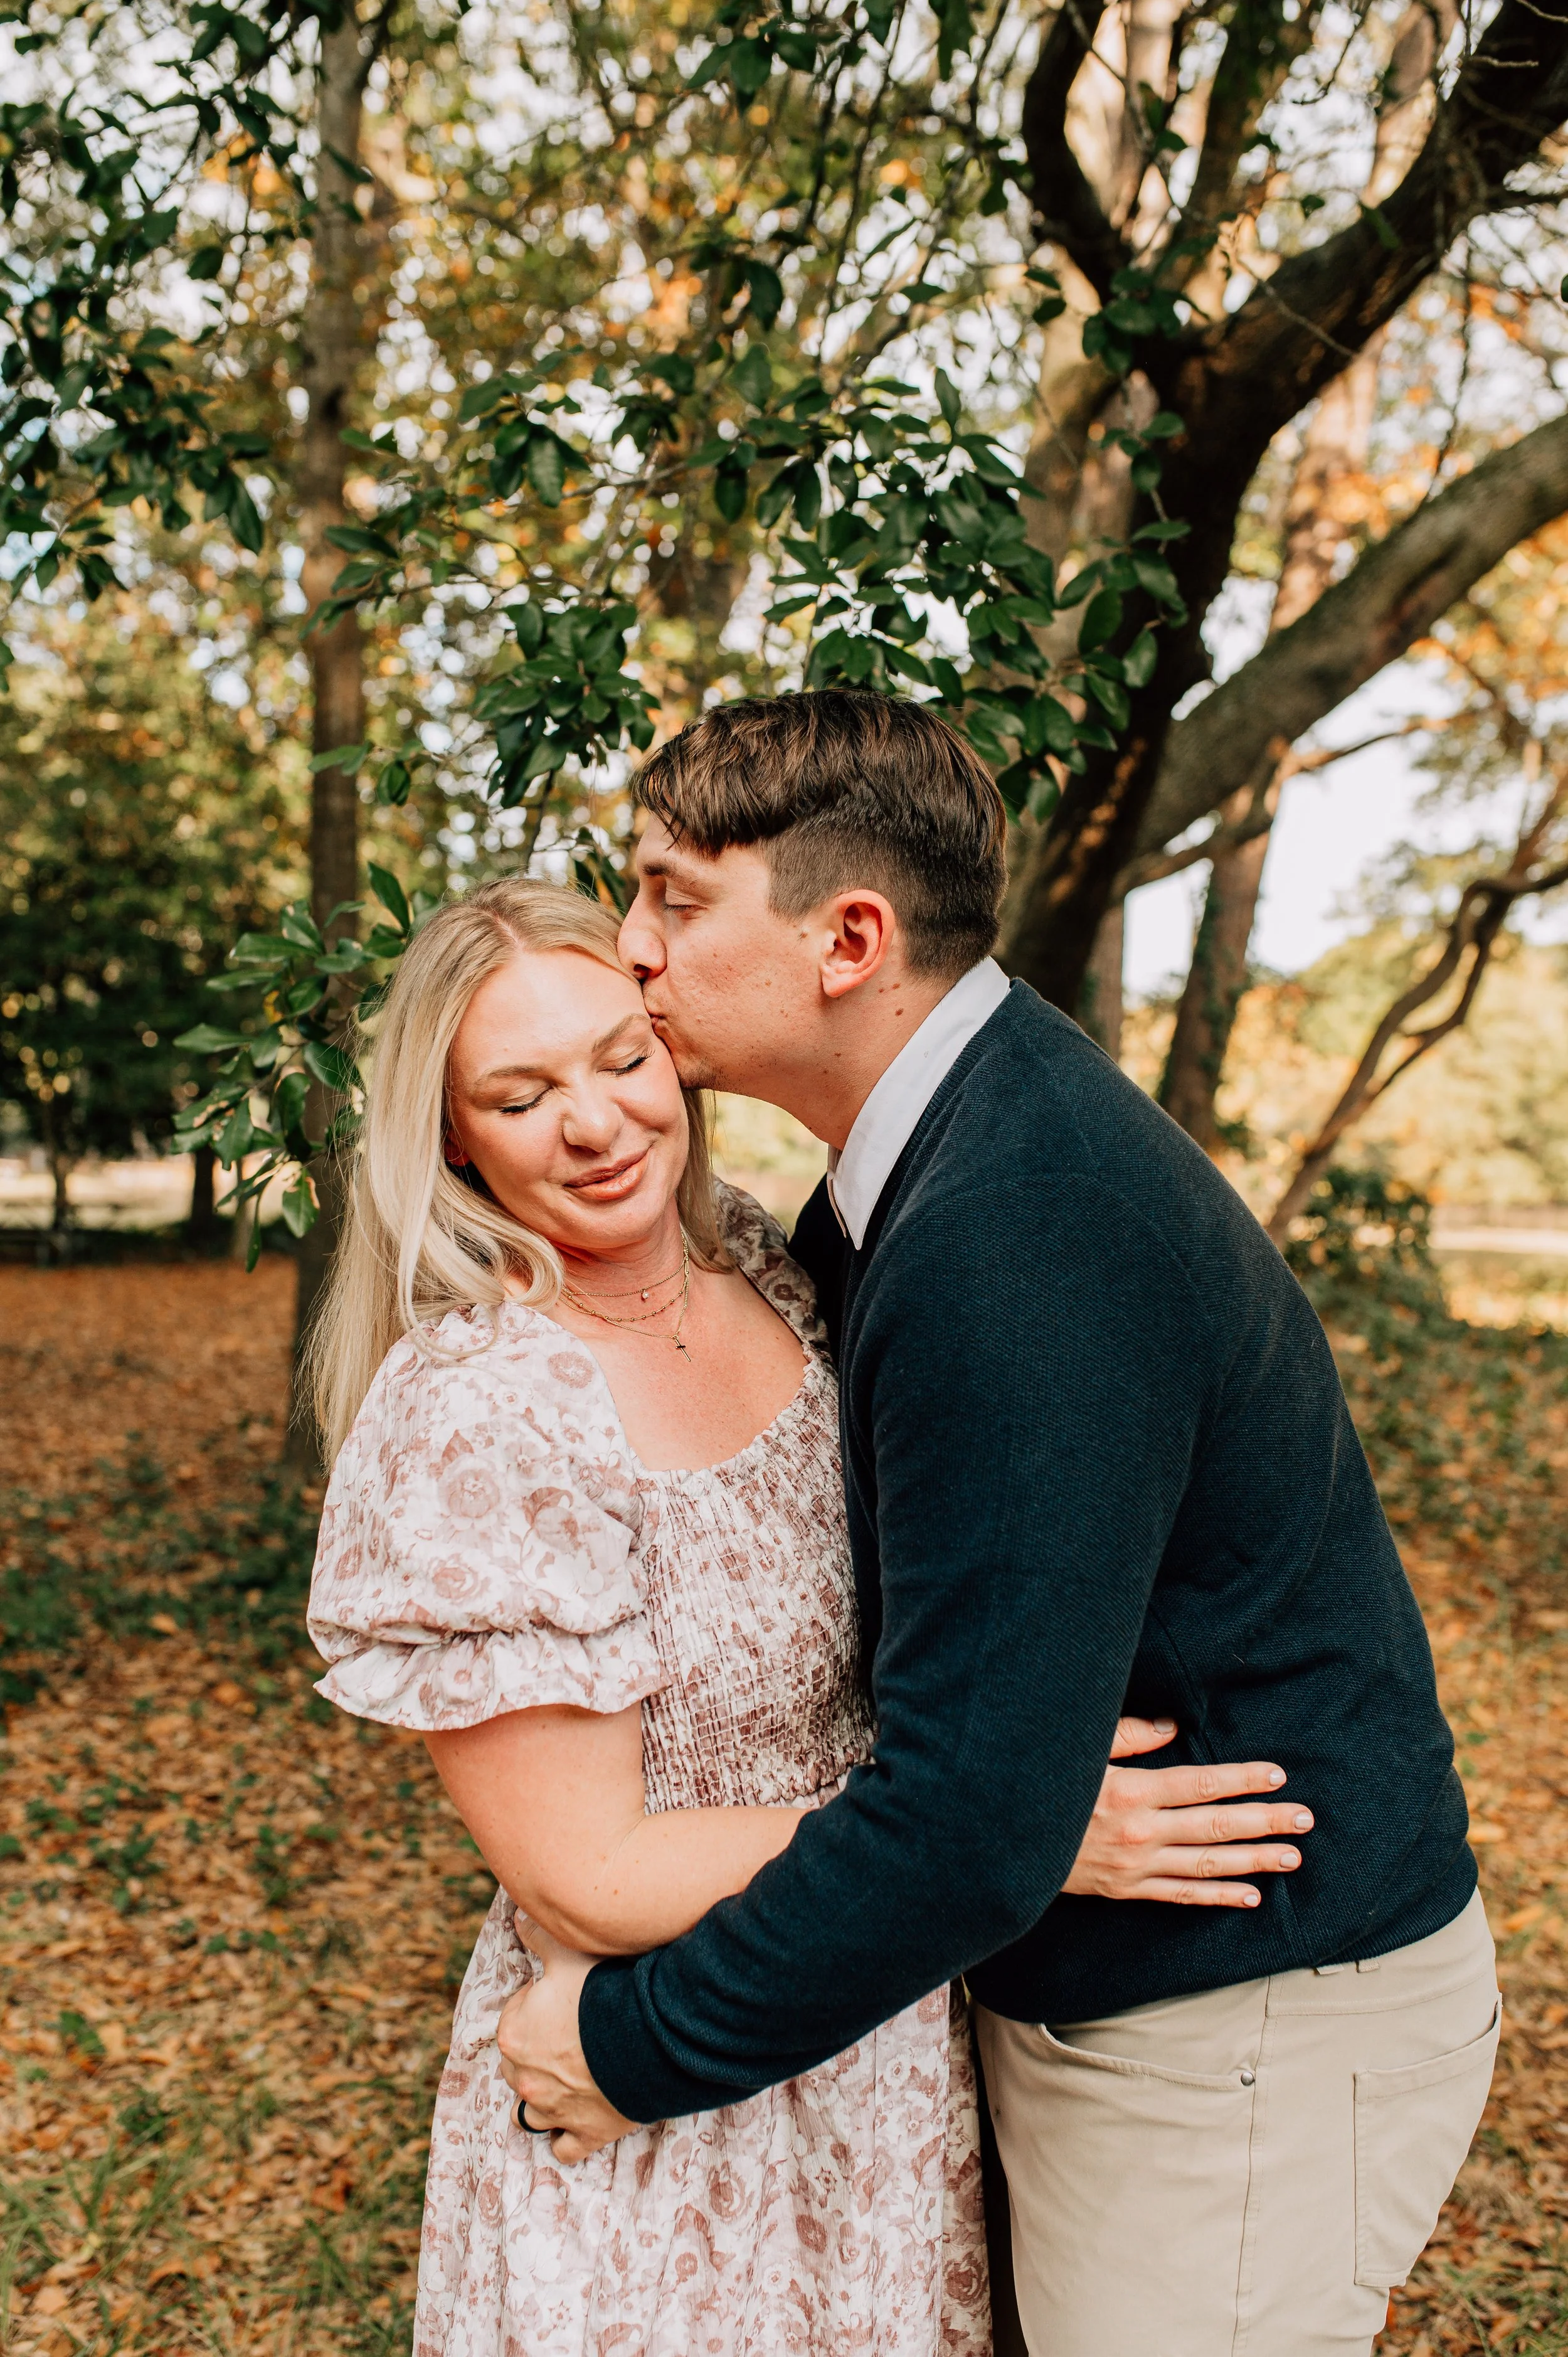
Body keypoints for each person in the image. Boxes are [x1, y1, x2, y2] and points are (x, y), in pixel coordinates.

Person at [497, 691, 1501, 2357]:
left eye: (676, 896)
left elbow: (970, 1817)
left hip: (1235, 2020)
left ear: (848, 937)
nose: (634, 945)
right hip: (1143, 1989)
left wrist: (626, 2043)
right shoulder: (937, 1164)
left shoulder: (1015, 1227)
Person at [305, 876, 1313, 2357]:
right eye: (520, 1095)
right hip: (659, 2073)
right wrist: (1014, 1826)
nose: (593, 1125)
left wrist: (971, 1830)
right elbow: (586, 1875)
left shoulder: (772, 1272)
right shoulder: (481, 1410)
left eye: (618, 1059)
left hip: (873, 2023)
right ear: (453, 1134)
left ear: (675, 1050)